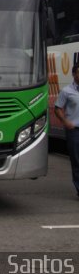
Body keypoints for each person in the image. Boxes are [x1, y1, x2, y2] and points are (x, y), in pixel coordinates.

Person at [54, 63, 79, 197]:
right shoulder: (66, 91)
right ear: (74, 74)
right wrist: (65, 122)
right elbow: (57, 109)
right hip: (74, 131)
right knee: (76, 161)